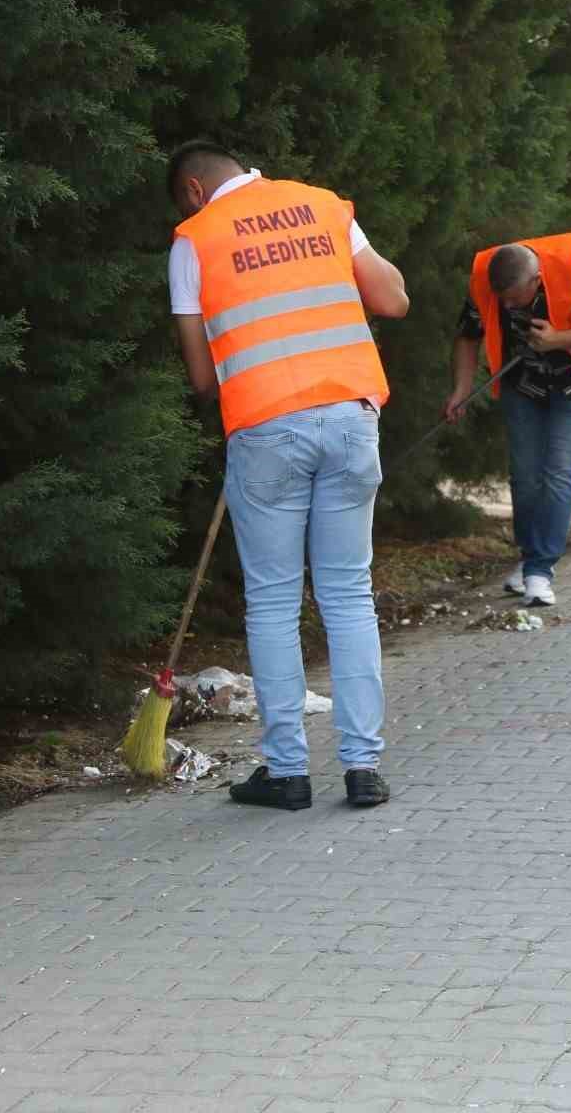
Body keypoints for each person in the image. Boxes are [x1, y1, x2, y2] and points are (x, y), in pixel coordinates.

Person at [166, 141, 408, 812]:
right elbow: (393, 297)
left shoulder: (195, 238)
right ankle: (363, 768)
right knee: (348, 594)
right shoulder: (324, 207)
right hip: (351, 416)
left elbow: (200, 374)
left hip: (267, 426)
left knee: (273, 601)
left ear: (193, 189)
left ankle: (287, 772)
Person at [447, 234, 571, 607]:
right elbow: (467, 335)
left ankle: (541, 570)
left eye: (515, 298)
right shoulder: (486, 276)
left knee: (558, 471)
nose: (508, 306)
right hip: (522, 384)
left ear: (536, 279)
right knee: (524, 474)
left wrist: (558, 339)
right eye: (503, 299)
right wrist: (461, 389)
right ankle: (529, 562)